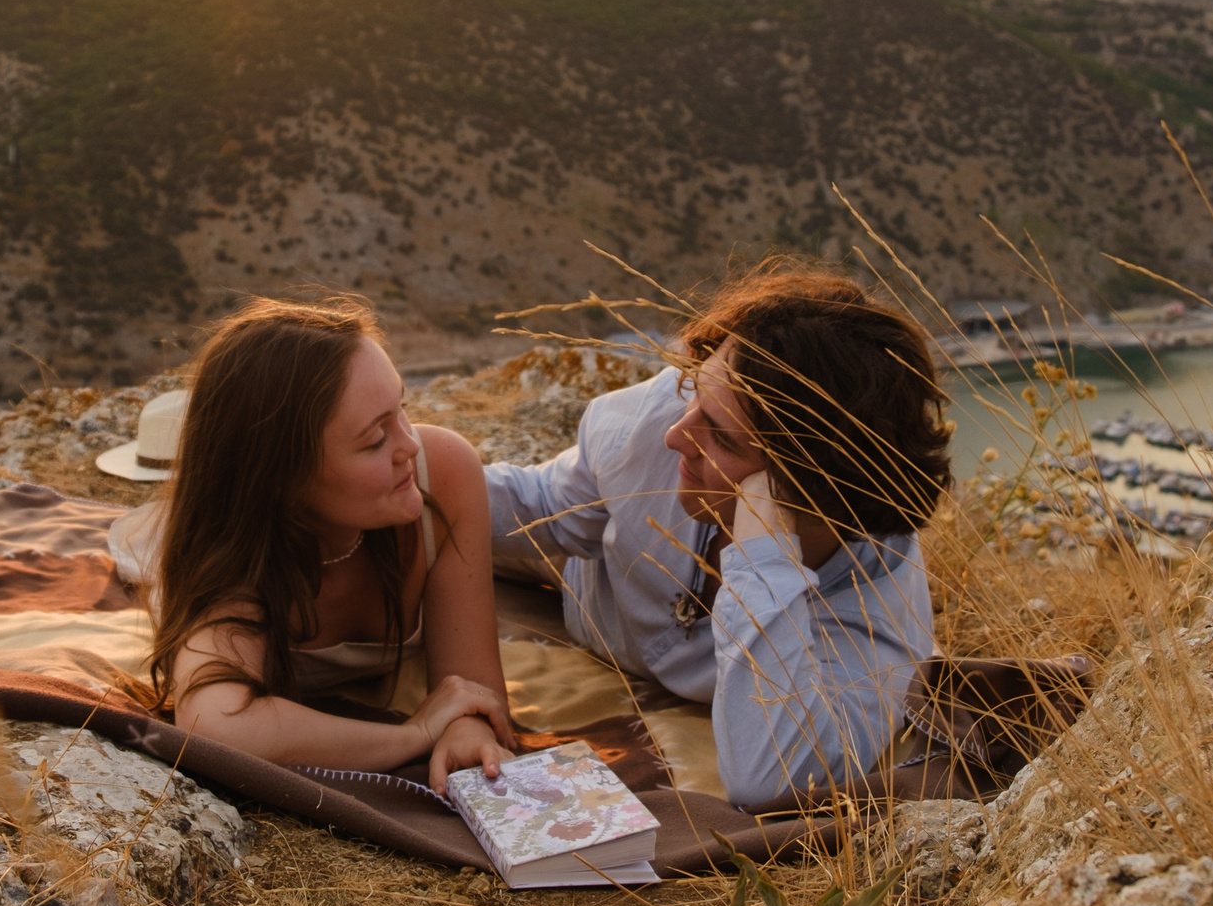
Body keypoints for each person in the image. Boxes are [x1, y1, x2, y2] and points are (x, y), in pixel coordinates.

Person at [485, 266, 949, 810]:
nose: (677, 435)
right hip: (579, 562)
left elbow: (770, 780)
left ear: (810, 490)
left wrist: (765, 559)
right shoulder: (671, 417)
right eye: (695, 395)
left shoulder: (882, 627)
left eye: (722, 438)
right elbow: (540, 505)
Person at [135, 297, 517, 791]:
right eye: (375, 440)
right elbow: (215, 724)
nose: (409, 445)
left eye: (401, 408)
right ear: (283, 479)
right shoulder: (235, 554)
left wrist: (467, 723)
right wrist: (415, 735)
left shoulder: (440, 475)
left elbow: (473, 690)